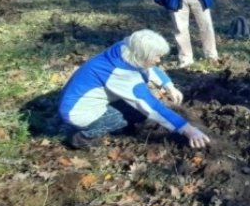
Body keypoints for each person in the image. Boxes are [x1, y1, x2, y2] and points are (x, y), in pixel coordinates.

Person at [58, 29, 211, 149]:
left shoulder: (125, 48)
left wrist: (168, 85)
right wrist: (188, 130)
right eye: (156, 56)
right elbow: (152, 107)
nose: (159, 60)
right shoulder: (121, 74)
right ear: (141, 55)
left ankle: (115, 125)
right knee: (138, 113)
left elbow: (147, 66)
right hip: (77, 112)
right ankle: (81, 137)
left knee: (135, 112)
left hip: (79, 98)